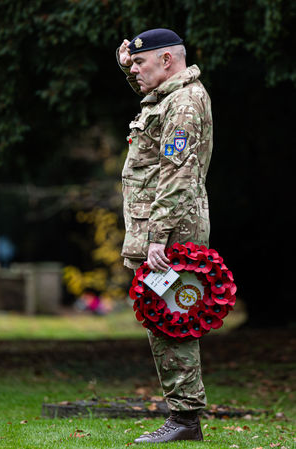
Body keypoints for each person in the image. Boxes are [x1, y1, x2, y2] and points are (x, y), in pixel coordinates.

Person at [117, 28, 213, 443]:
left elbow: (178, 173)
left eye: (141, 63)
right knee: (163, 319)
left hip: (171, 232)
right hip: (160, 229)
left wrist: (158, 236)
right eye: (133, 63)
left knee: (172, 320)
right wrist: (128, 68)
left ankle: (185, 418)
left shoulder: (186, 104)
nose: (135, 69)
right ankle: (183, 415)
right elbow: (150, 96)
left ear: (168, 61)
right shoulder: (170, 96)